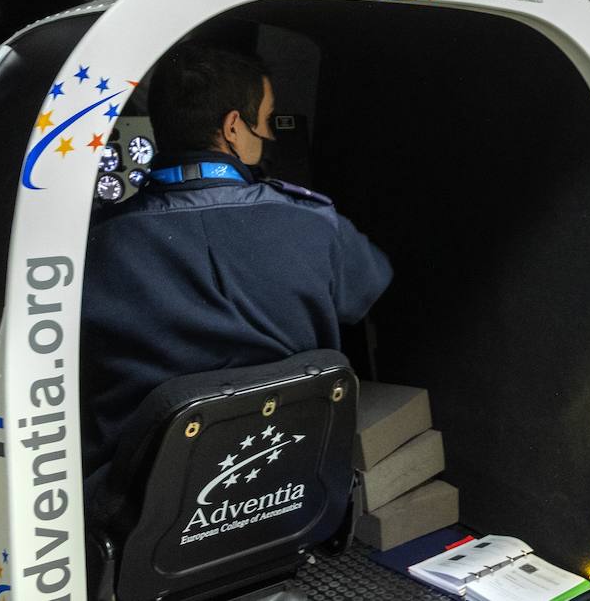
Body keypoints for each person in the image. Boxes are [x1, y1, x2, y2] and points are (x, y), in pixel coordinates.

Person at [80, 42, 392, 486]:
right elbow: (367, 287)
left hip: (142, 513)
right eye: (265, 122)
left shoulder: (98, 242)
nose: (269, 136)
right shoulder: (316, 223)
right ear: (232, 128)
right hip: (290, 490)